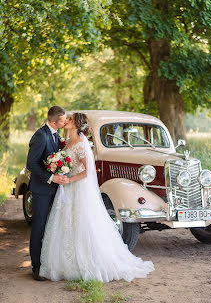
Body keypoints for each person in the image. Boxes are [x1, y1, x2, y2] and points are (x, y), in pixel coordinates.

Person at [39, 112, 154, 282]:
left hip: (77, 187)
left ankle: (85, 264)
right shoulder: (68, 142)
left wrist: (69, 178)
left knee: (82, 223)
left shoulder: (80, 144)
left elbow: (87, 172)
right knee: (65, 224)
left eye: (69, 119)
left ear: (77, 124)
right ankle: (65, 264)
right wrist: (59, 170)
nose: (66, 121)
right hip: (66, 189)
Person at [26, 106, 68, 281]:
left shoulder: (55, 134)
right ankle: (36, 267)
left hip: (54, 190)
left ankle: (48, 263)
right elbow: (31, 164)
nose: (65, 122)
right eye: (63, 120)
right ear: (53, 121)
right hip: (42, 189)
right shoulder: (40, 136)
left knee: (51, 227)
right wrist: (52, 178)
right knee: (39, 226)